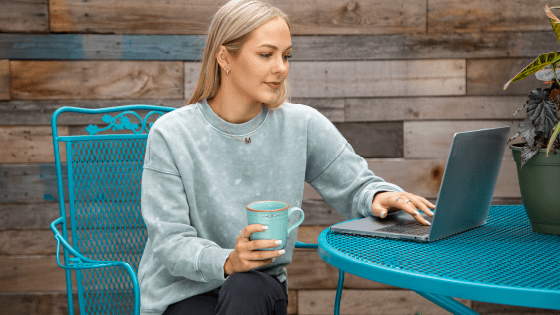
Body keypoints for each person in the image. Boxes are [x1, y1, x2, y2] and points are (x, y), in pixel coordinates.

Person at [137, 0, 435, 314]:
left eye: (286, 55)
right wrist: (228, 260)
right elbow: (170, 241)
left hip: (257, 290)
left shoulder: (301, 125)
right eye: (266, 54)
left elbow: (357, 186)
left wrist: (380, 195)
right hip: (182, 290)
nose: (281, 67)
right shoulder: (171, 133)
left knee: (245, 286)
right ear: (225, 57)